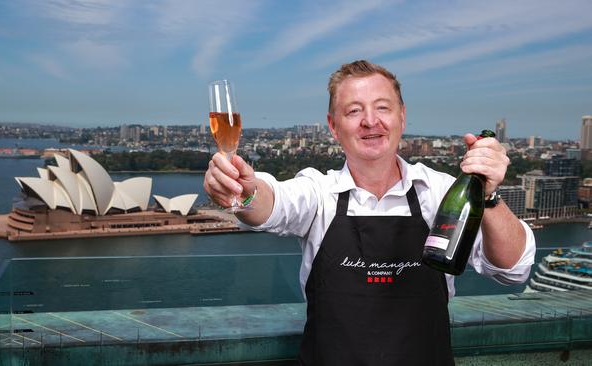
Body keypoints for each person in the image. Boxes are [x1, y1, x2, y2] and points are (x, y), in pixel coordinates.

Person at [203, 60, 535, 365]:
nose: (370, 121)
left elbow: (513, 270)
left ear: (402, 117)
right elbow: (271, 203)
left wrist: (489, 196)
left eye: (382, 108)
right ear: (333, 127)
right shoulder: (318, 192)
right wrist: (246, 192)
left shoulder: (440, 192)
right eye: (353, 111)